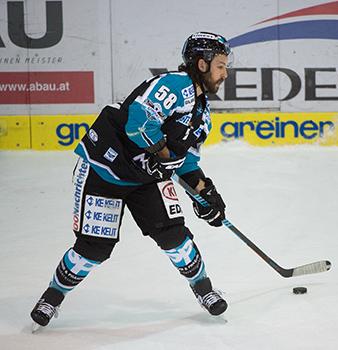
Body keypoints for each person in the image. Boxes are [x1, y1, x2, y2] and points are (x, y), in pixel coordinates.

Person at [30, 31, 233, 329]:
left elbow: (187, 161)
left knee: (174, 236)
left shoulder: (202, 113)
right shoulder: (174, 85)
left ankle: (204, 290)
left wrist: (205, 194)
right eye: (220, 65)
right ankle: (52, 297)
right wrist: (164, 154)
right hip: (104, 170)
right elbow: (138, 121)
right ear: (201, 64)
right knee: (93, 248)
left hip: (143, 178)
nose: (225, 73)